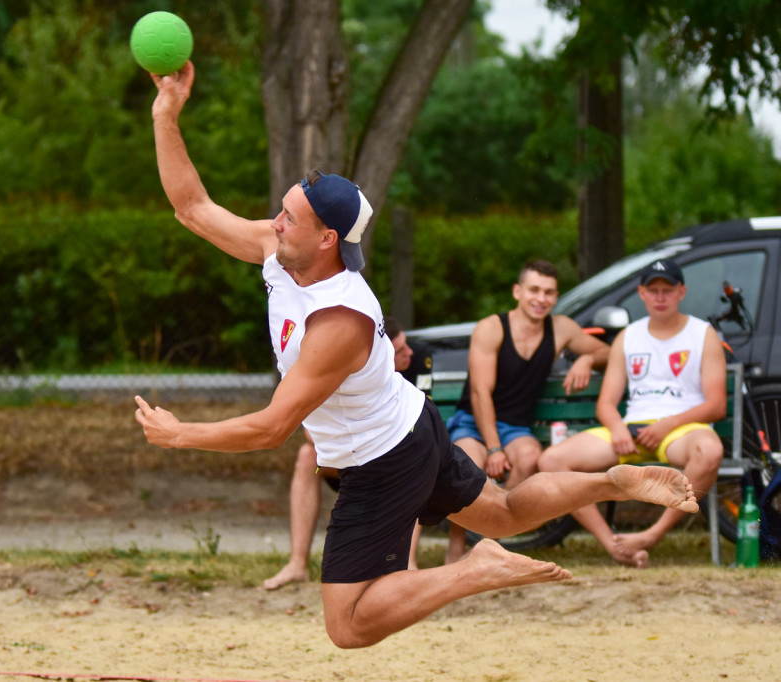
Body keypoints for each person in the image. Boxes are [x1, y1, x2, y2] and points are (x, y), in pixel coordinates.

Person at [133, 61, 698, 649]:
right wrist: (165, 114)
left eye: (288, 218)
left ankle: (471, 571)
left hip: (381, 459)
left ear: (327, 239)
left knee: (348, 625)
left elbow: (273, 427)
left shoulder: (338, 322)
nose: (274, 223)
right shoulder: (284, 253)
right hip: (410, 425)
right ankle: (611, 481)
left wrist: (181, 434)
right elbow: (192, 208)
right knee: (503, 513)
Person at [538, 258, 726, 567]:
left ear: (682, 292)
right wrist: (618, 429)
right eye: (653, 291)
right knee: (551, 460)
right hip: (632, 429)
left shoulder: (702, 334)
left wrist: (667, 425)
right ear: (641, 293)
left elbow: (716, 404)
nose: (660, 297)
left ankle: (652, 534)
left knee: (710, 450)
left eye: (668, 290)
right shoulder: (629, 336)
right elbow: (606, 403)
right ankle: (614, 545)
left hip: (680, 430)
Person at [442, 260, 610, 564]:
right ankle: (456, 547)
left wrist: (586, 360)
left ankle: (488, 543)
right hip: (473, 421)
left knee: (529, 458)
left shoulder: (561, 329)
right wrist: (493, 448)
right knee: (468, 464)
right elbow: (480, 394)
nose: (541, 298)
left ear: (556, 297)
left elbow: (605, 351)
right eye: (534, 290)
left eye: (549, 292)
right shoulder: (491, 328)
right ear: (517, 292)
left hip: (517, 426)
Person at [263, 316, 416, 590]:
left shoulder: (412, 371)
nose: (410, 353)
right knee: (306, 457)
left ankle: (408, 565)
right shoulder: (351, 367)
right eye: (401, 350)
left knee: (411, 458)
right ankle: (297, 563)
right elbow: (309, 432)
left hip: (389, 459)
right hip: (345, 458)